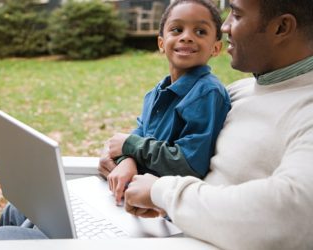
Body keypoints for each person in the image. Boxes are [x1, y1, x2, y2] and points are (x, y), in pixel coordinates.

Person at [124, 0, 313, 249]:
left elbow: (291, 214)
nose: (224, 26)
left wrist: (162, 192)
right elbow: (159, 138)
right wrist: (125, 158)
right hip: (163, 229)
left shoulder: (305, 108)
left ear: (281, 27)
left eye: (235, 14)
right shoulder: (239, 92)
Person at [99, 0, 230, 205]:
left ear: (216, 48)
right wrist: (126, 161)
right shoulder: (156, 93)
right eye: (177, 29)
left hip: (163, 209)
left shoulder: (207, 93)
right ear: (161, 43)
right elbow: (137, 137)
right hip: (131, 195)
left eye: (200, 32)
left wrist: (129, 146)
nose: (186, 37)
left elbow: (189, 164)